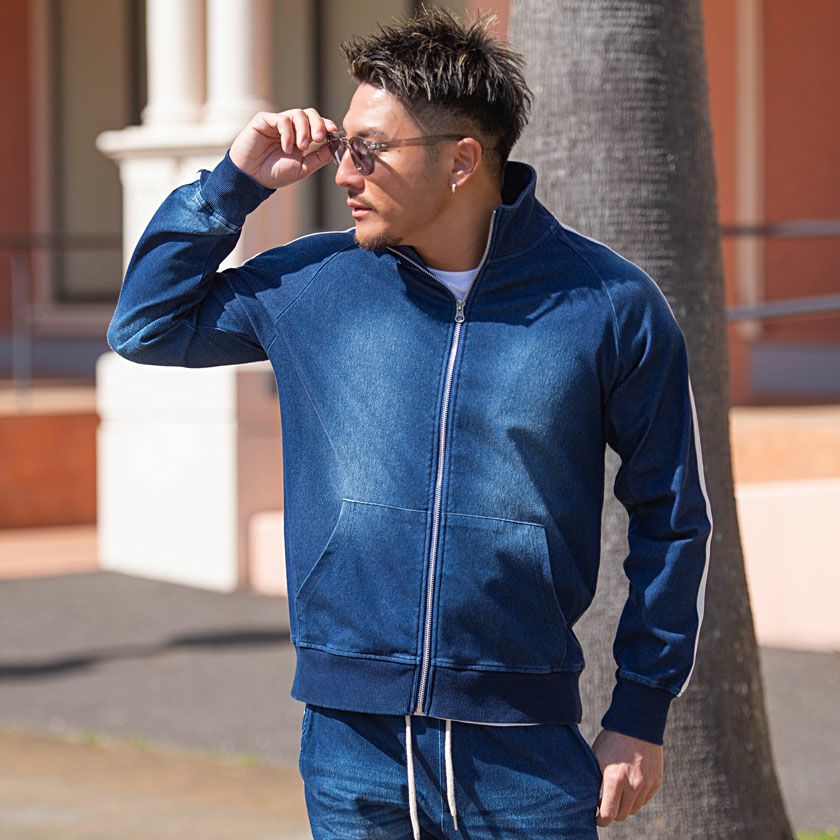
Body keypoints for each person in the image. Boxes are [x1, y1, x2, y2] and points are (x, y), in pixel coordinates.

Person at [107, 6, 713, 839]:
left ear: (462, 160)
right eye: (342, 145)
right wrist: (233, 183)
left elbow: (673, 514)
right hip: (350, 742)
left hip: (523, 745)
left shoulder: (609, 304)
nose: (341, 173)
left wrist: (641, 710)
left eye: (369, 149)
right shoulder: (313, 283)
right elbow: (145, 326)